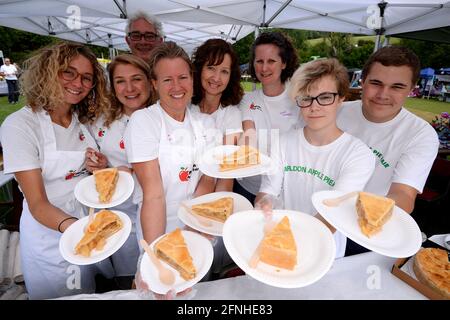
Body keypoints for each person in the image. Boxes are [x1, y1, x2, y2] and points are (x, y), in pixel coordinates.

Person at [0, 42, 109, 299]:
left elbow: (84, 174)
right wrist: (78, 229)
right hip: (50, 233)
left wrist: (99, 167)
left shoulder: (81, 122)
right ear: (48, 72)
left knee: (87, 291)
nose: (78, 83)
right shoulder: (20, 126)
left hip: (84, 220)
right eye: (68, 72)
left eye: (86, 78)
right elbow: (37, 204)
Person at [255, 58, 375, 258]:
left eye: (325, 97)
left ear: (341, 98)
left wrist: (292, 244)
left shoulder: (358, 154)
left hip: (325, 250)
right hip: (278, 239)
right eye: (306, 98)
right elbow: (268, 191)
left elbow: (334, 214)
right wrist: (264, 207)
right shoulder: (283, 142)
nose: (314, 107)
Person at [336, 46, 439, 255]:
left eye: (397, 87)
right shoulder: (337, 111)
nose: (383, 94)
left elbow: (403, 195)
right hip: (320, 207)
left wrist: (367, 214)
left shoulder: (421, 134)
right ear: (362, 81)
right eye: (376, 83)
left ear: (411, 89)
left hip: (365, 229)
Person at [124, 41, 219, 245]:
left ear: (192, 79)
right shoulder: (144, 121)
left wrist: (194, 226)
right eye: (167, 80)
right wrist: (156, 253)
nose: (177, 87)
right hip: (159, 225)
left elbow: (208, 180)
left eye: (183, 77)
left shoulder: (207, 123)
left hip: (198, 219)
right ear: (155, 84)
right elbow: (153, 195)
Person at [86, 54, 156, 289]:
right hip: (120, 216)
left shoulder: (164, 117)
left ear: (149, 81)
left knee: (158, 273)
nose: (129, 88)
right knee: (128, 280)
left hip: (157, 212)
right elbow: (97, 167)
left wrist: (131, 172)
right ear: (112, 86)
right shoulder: (101, 123)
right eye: (120, 81)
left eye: (137, 79)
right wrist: (101, 165)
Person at [238, 31, 302, 204]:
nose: (264, 68)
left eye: (271, 61)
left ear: (284, 63)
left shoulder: (299, 99)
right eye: (259, 61)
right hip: (247, 187)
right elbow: (248, 134)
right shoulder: (248, 99)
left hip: (282, 190)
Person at [191, 38, 244, 192]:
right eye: (211, 68)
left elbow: (225, 173)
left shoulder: (231, 115)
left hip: (208, 193)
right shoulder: (185, 106)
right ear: (200, 69)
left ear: (230, 77)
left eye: (224, 71)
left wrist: (217, 205)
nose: (216, 78)